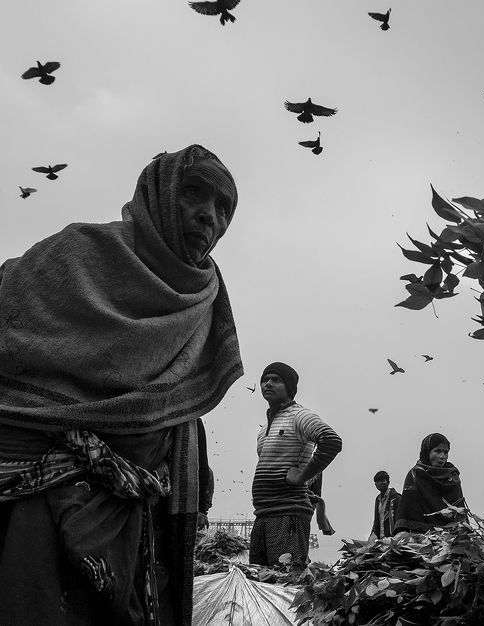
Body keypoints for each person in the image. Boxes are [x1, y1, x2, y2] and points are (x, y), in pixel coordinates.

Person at [0, 145, 243, 625]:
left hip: (140, 514)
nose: (208, 215)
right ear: (158, 193)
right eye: (193, 193)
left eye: (223, 207)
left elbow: (177, 409)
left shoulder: (205, 297)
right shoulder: (78, 254)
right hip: (32, 500)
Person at [250, 362, 342, 567]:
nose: (268, 384)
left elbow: (331, 441)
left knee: (286, 581)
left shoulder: (299, 416)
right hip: (262, 513)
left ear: (289, 387)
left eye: (276, 380)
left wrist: (302, 476)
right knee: (260, 579)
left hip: (288, 513)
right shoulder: (263, 430)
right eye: (265, 379)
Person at [393, 433, 466, 534]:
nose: (442, 456)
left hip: (453, 534)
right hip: (422, 534)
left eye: (446, 452)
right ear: (426, 452)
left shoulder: (452, 476)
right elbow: (408, 512)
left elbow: (460, 510)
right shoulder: (416, 474)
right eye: (438, 451)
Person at [370, 470, 401, 539]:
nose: (380, 483)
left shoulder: (396, 497)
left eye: (382, 480)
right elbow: (376, 520)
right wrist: (372, 536)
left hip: (393, 538)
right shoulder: (377, 499)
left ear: (388, 482)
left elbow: (400, 519)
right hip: (381, 540)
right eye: (377, 482)